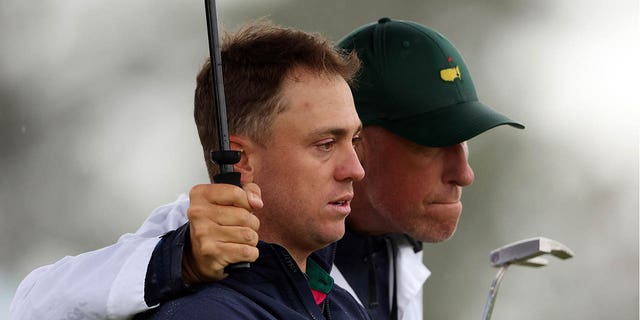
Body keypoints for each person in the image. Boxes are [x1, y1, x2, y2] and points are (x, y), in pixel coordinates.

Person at [10, 18, 523, 320]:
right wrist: (181, 261)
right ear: (243, 160)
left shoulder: (347, 294)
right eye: (327, 143)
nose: (354, 167)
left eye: (352, 139)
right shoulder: (201, 261)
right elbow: (33, 304)